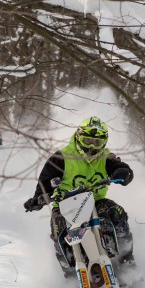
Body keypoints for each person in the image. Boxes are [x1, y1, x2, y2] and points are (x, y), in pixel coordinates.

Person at [23, 116, 134, 276]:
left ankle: (127, 262)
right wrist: (38, 198)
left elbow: (122, 168)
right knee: (57, 228)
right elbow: (44, 182)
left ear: (104, 143)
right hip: (65, 205)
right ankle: (69, 274)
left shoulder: (106, 157)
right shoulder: (61, 157)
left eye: (97, 143)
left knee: (117, 212)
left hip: (96, 202)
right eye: (87, 141)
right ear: (78, 136)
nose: (91, 147)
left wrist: (124, 173)